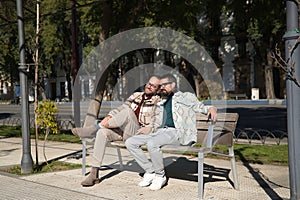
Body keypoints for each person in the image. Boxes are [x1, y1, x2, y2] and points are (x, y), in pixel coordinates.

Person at [125, 74, 217, 191]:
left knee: (152, 143)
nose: (161, 88)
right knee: (130, 142)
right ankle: (150, 171)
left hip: (177, 132)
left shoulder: (185, 97)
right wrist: (149, 128)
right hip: (160, 132)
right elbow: (156, 121)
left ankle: (160, 175)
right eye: (160, 86)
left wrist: (211, 108)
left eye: (164, 85)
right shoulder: (160, 101)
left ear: (173, 84)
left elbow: (200, 106)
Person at [72, 75, 162, 187]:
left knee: (128, 112)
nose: (149, 87)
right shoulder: (136, 95)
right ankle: (94, 173)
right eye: (149, 83)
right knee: (102, 133)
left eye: (153, 86)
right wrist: (109, 116)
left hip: (138, 134)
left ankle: (93, 129)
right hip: (123, 131)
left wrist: (148, 129)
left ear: (158, 89)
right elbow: (120, 109)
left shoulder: (158, 102)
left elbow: (157, 124)